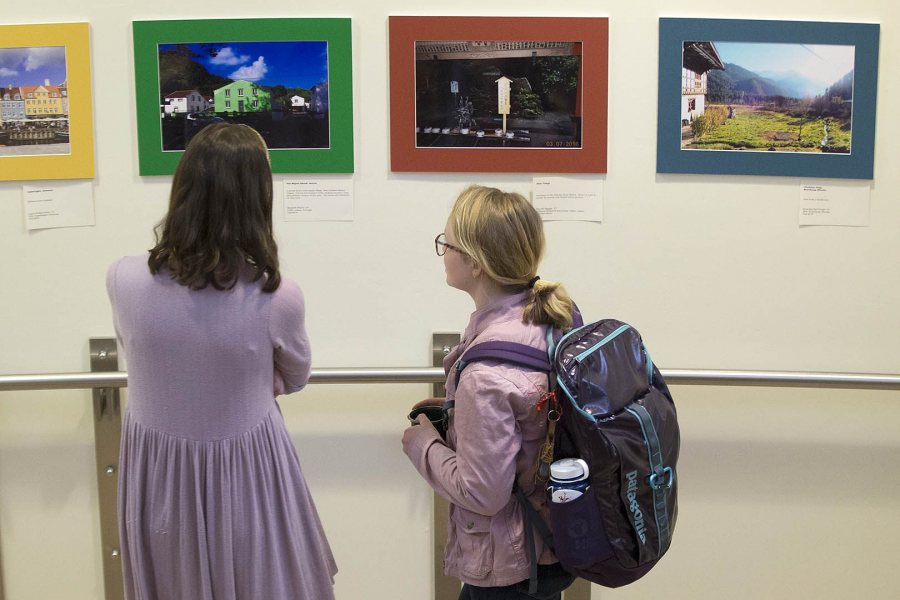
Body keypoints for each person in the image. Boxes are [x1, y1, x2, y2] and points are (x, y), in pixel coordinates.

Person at [106, 123, 336, 600]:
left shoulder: (123, 279)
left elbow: (141, 354)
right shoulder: (276, 296)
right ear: (256, 198)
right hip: (248, 470)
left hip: (157, 478)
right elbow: (295, 376)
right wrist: (247, 376)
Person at [402, 185, 576, 599]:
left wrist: (422, 444)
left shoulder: (486, 371)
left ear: (476, 263)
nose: (443, 251)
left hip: (509, 566)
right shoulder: (545, 320)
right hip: (549, 545)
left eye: (447, 243)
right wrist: (456, 410)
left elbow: (483, 493)